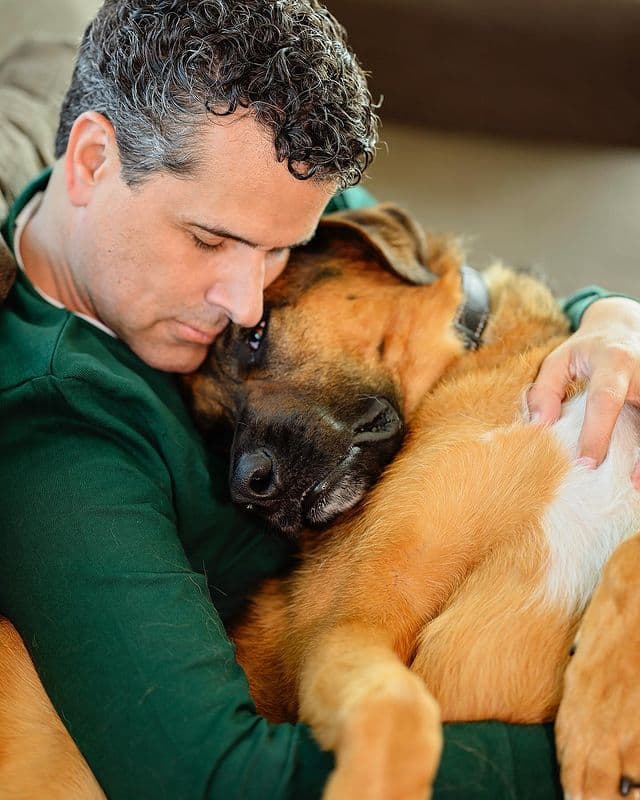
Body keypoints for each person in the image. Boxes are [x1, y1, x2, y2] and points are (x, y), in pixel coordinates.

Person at [0, 1, 638, 798]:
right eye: (208, 241)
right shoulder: (56, 428)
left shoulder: (254, 182)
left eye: (280, 252)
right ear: (93, 160)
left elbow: (437, 302)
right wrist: (590, 768)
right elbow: (215, 777)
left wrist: (609, 315)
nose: (244, 298)